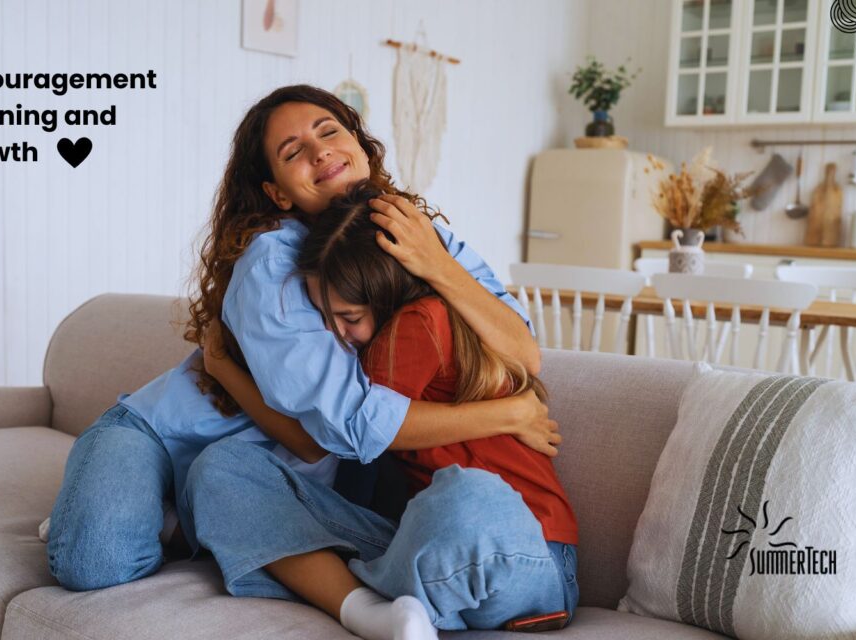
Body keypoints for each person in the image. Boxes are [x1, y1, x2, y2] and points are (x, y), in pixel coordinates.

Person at [46, 84, 557, 594]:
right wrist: (511, 414)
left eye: (329, 131)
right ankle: (112, 507)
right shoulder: (275, 258)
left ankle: (180, 523)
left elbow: (523, 353)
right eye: (292, 152)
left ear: (360, 143)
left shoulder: (421, 234)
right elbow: (341, 429)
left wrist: (438, 266)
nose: (320, 151)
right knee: (94, 562)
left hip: (261, 477)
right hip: (168, 432)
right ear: (278, 192)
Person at [196, 181, 578, 639]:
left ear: (386, 292)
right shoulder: (395, 331)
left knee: (468, 495)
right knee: (223, 466)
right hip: (420, 546)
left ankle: (347, 587)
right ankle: (377, 609)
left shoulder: (417, 325)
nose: (337, 334)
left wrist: (225, 368)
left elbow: (358, 434)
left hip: (527, 553)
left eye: (349, 318)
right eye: (324, 319)